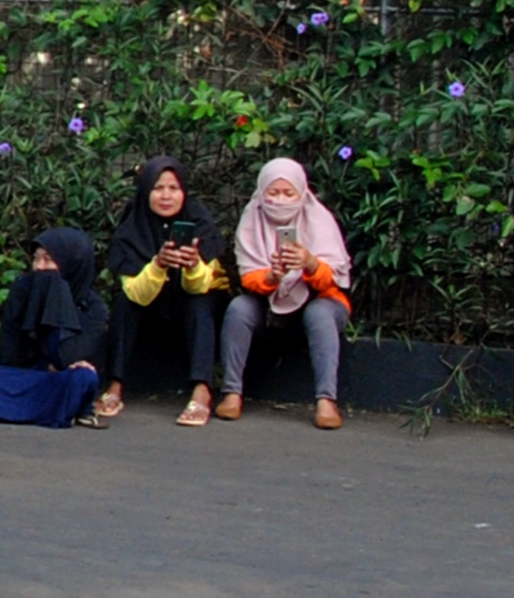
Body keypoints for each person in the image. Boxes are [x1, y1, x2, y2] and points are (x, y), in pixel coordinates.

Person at [220, 156, 351, 429]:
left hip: (319, 300)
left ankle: (327, 401)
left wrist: (310, 263)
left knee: (321, 313)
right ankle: (231, 393)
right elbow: (248, 277)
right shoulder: (251, 219)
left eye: (288, 193)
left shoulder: (319, 219)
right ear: (261, 191)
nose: (280, 200)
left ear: (301, 192)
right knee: (239, 308)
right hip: (268, 304)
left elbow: (334, 281)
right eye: (273, 193)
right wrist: (273, 275)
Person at [96, 155, 227, 425]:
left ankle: (201, 391)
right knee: (123, 303)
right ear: (146, 192)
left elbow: (201, 285)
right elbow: (136, 293)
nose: (166, 196)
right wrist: (158, 264)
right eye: (158, 188)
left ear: (184, 192)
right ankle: (115, 386)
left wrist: (192, 264)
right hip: (150, 303)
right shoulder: (132, 229)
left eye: (173, 188)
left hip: (190, 301)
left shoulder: (201, 222)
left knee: (201, 301)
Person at [0, 227, 107, 427]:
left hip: (55, 382)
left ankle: (12, 408)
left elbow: (67, 358)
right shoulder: (24, 289)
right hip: (23, 377)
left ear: (70, 264)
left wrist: (57, 300)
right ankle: (50, 410)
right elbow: (10, 354)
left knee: (84, 379)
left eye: (48, 260)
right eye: (36, 258)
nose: (39, 267)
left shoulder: (92, 306)